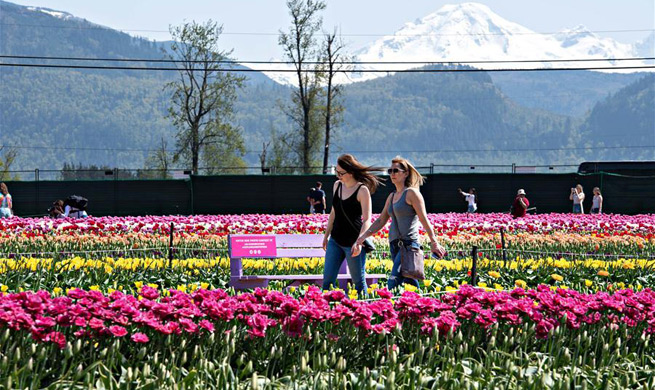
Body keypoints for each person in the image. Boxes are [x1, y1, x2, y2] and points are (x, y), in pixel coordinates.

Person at [355, 156, 447, 290]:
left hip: (408, 245)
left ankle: (388, 307)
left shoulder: (412, 194)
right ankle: (424, 306)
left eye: (396, 171)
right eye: (390, 171)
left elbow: (423, 218)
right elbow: (381, 220)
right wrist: (363, 236)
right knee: (409, 282)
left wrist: (434, 242)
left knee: (393, 281)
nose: (392, 174)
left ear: (405, 173)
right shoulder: (392, 196)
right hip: (394, 245)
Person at [322, 154, 383, 296]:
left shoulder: (362, 190)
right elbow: (333, 212)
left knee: (358, 282)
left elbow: (367, 219)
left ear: (350, 172)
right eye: (337, 172)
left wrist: (360, 241)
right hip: (335, 240)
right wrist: (326, 236)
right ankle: (323, 312)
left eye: (341, 173)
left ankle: (365, 310)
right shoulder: (337, 186)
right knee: (327, 281)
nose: (338, 176)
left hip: (353, 242)